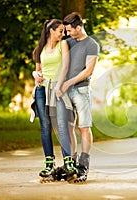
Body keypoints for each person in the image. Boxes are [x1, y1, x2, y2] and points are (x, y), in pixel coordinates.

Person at [31, 19, 78, 183]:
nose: (63, 34)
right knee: (45, 126)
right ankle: (49, 163)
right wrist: (35, 75)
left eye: (63, 31)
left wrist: (59, 86)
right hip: (42, 89)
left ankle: (68, 162)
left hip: (57, 88)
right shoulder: (40, 49)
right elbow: (38, 71)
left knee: (61, 125)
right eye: (60, 31)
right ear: (51, 30)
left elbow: (65, 66)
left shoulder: (62, 45)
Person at [56, 12, 99, 182]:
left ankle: (84, 164)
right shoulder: (67, 43)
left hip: (81, 90)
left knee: (84, 127)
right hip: (65, 93)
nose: (68, 34)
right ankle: (71, 163)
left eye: (69, 30)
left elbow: (88, 71)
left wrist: (69, 82)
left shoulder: (92, 44)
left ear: (78, 27)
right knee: (67, 128)